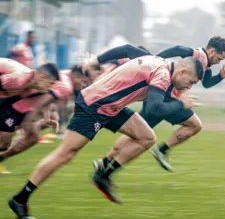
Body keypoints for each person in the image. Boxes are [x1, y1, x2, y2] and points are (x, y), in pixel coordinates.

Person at [8, 54, 204, 218]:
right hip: (94, 105)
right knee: (65, 154)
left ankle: (103, 175)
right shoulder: (162, 74)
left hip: (111, 106)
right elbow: (153, 109)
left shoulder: (159, 62)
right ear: (183, 71)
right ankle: (19, 199)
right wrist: (181, 104)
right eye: (191, 82)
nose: (189, 87)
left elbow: (128, 50)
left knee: (146, 137)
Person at [100, 36, 225, 172]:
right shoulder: (194, 54)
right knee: (195, 125)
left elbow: (206, 83)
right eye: (219, 59)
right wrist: (156, 60)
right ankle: (162, 150)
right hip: (168, 99)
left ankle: (106, 161)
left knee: (137, 132)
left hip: (158, 97)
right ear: (211, 51)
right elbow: (177, 49)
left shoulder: (205, 64)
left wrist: (220, 77)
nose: (218, 63)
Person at [0, 66, 88, 171]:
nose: (84, 85)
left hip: (24, 106)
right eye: (82, 81)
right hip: (17, 106)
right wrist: (28, 120)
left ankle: (2, 157)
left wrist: (46, 118)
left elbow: (46, 99)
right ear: (74, 76)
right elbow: (42, 102)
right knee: (5, 143)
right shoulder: (66, 86)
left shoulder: (65, 75)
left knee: (30, 138)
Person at [0, 58, 60, 173]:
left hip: (6, 101)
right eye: (50, 83)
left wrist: (47, 119)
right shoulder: (18, 78)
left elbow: (45, 103)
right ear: (42, 77)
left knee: (4, 144)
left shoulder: (36, 86)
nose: (50, 88)